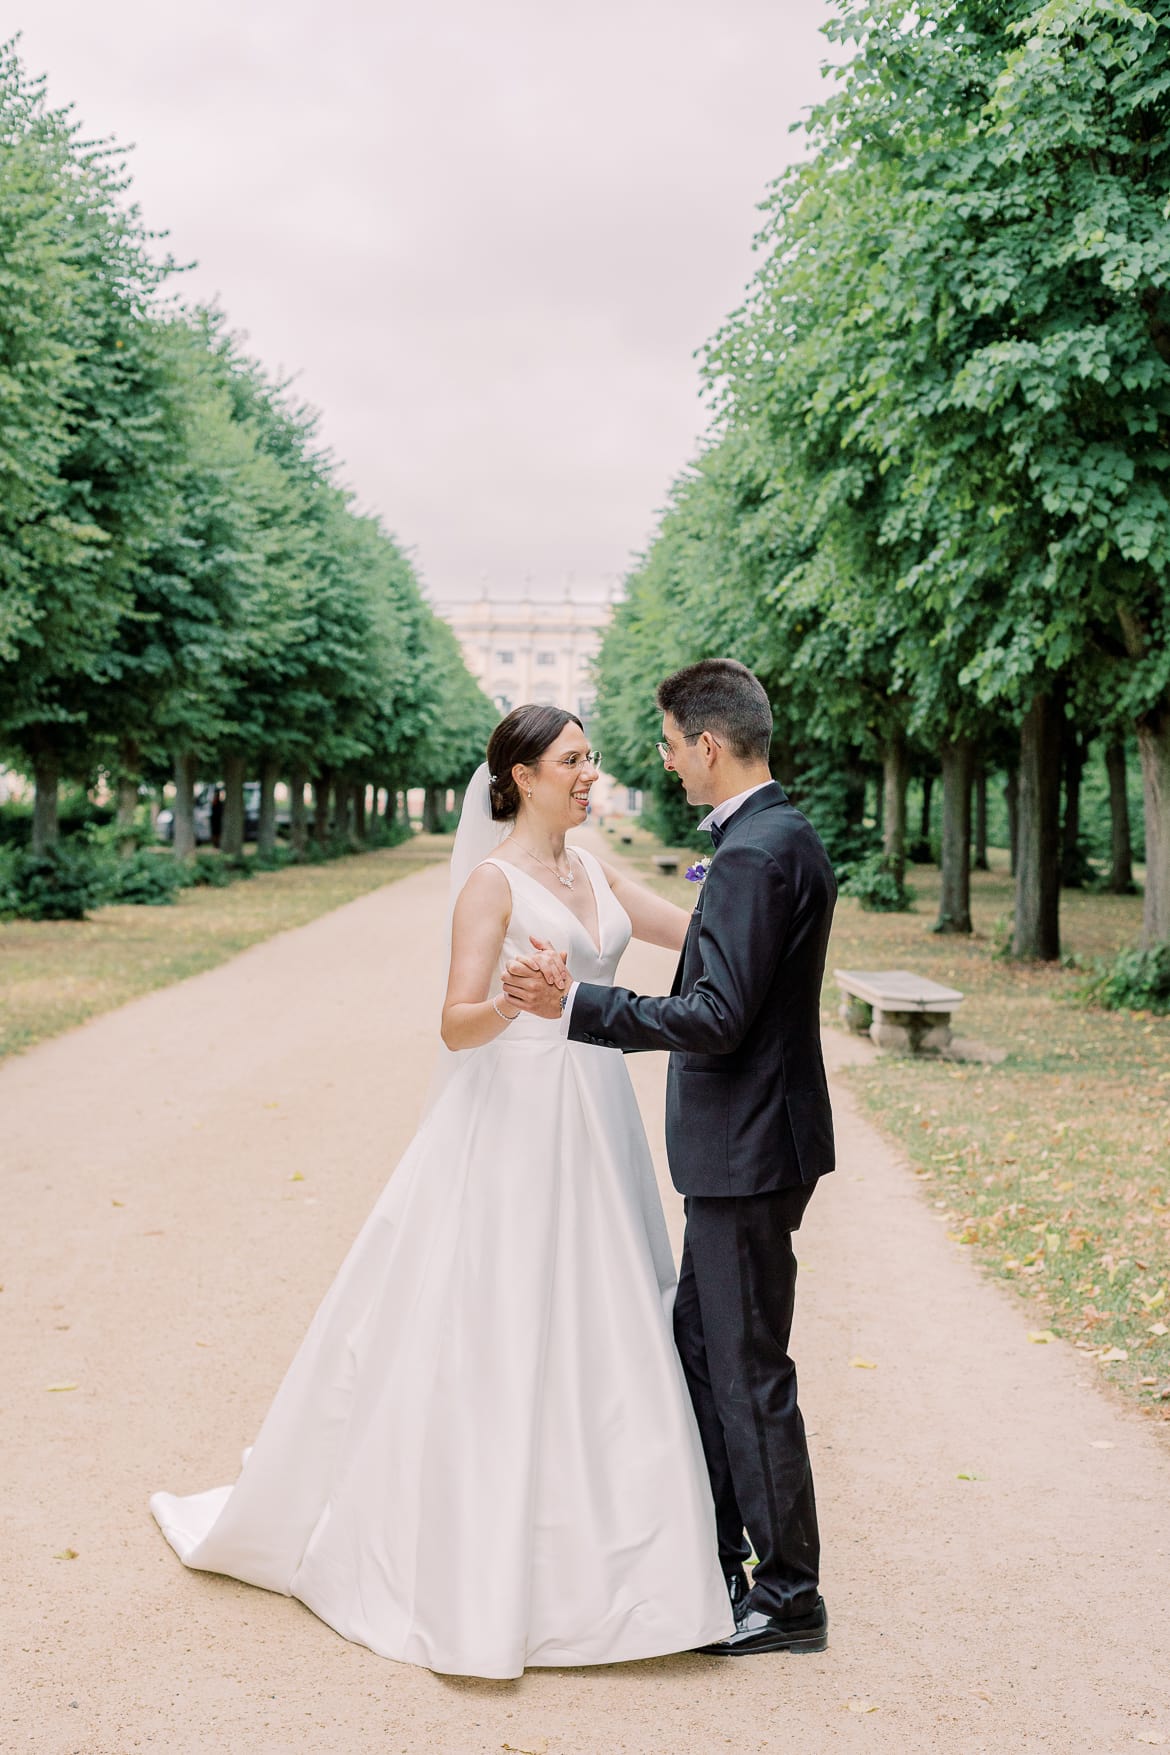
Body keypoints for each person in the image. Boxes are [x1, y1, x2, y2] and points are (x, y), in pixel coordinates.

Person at [149, 703, 733, 1679]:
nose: (591, 774)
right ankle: (486, 1564)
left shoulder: (595, 872)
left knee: (614, 1316)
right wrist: (510, 998)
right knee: (500, 1322)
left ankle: (633, 1563)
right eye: (573, 761)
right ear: (520, 777)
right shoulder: (489, 888)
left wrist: (749, 865)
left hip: (599, 1124)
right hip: (514, 1124)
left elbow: (705, 926)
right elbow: (454, 1025)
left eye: (591, 760)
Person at [503, 659, 837, 1656]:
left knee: (745, 1369)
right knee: (704, 1351)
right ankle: (716, 1558)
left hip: (745, 1147)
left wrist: (578, 1006)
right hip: (760, 1140)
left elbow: (717, 1017)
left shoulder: (750, 853)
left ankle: (787, 1595)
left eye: (666, 742)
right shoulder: (782, 837)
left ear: (707, 745)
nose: (657, 759)